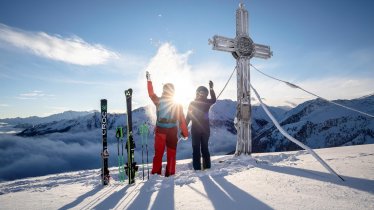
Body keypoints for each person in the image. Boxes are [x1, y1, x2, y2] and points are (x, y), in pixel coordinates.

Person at [146, 71, 188, 177]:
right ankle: (170, 173)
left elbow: (151, 94)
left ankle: (156, 173)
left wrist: (149, 81)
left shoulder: (159, 101)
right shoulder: (177, 104)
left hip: (160, 130)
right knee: (171, 153)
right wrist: (185, 133)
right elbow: (182, 120)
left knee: (158, 153)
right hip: (172, 132)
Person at [186, 81, 216, 170]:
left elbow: (188, 117)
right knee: (205, 148)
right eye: (201, 93)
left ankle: (197, 169)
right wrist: (211, 89)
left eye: (203, 93)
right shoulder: (207, 102)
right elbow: (214, 99)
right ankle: (207, 168)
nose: (202, 94)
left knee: (196, 149)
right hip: (205, 130)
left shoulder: (192, 103)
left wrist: (183, 129)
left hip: (195, 130)